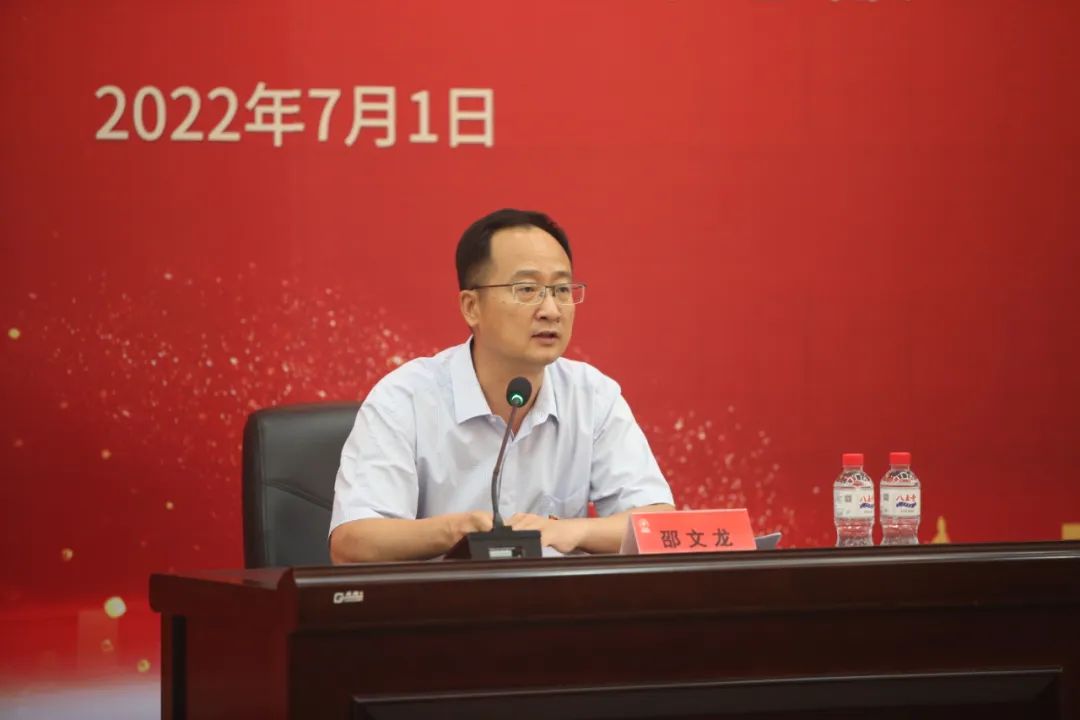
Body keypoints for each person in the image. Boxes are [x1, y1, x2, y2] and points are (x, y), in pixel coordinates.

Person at [329, 208, 674, 563]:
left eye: (561, 289)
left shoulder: (592, 396)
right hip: (446, 597)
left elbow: (659, 525)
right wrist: (457, 532)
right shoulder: (405, 399)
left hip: (557, 596)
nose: (551, 310)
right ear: (471, 307)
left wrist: (571, 531)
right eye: (527, 289)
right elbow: (352, 543)